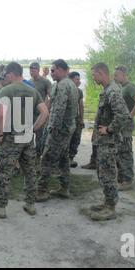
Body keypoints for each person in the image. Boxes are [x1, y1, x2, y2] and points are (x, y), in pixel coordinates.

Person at [0, 62, 48, 218]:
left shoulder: (5, 91)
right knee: (30, 171)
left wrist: (0, 134)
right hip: (27, 136)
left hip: (11, 136)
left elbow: (1, 114)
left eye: (6, 75)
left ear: (11, 74)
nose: (5, 77)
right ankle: (30, 204)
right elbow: (44, 113)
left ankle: (1, 208)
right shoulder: (33, 91)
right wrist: (34, 128)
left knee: (5, 172)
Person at [88, 62, 130, 221]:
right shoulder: (107, 90)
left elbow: (123, 115)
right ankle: (107, 202)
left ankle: (111, 207)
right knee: (102, 173)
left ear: (101, 73)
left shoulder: (113, 91)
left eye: (94, 75)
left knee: (108, 174)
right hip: (103, 141)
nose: (93, 78)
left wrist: (109, 129)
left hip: (109, 141)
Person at [36, 59, 78, 201]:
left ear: (61, 70)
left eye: (53, 70)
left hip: (59, 130)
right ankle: (64, 188)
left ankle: (41, 191)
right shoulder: (70, 84)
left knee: (47, 158)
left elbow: (58, 110)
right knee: (63, 160)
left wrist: (52, 130)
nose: (51, 73)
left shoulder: (63, 86)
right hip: (67, 129)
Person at [114, 65, 135, 191]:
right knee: (119, 151)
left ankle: (127, 180)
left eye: (117, 75)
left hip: (126, 125)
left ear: (124, 74)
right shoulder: (122, 87)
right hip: (121, 125)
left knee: (125, 152)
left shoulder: (130, 87)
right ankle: (121, 178)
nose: (115, 77)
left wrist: (130, 116)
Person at [29, 62, 52, 157]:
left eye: (33, 70)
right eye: (30, 70)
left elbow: (51, 97)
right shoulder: (29, 82)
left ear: (38, 70)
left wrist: (47, 110)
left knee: (40, 136)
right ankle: (29, 154)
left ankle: (39, 155)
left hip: (40, 114)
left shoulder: (45, 82)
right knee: (29, 135)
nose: (31, 72)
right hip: (30, 113)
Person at [68, 72, 84, 168]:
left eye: (79, 79)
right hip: (67, 120)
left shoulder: (79, 91)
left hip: (76, 119)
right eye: (77, 79)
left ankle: (71, 158)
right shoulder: (66, 90)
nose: (79, 81)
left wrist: (81, 119)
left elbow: (81, 106)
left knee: (75, 139)